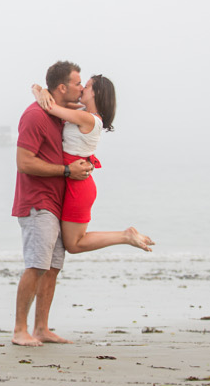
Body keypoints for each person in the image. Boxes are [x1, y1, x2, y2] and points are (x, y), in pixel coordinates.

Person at [11, 61, 94, 347]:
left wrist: (36, 89)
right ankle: (20, 330)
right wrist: (67, 171)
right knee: (36, 265)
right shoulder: (34, 116)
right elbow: (24, 162)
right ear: (61, 87)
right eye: (77, 83)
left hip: (59, 202)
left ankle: (42, 328)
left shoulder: (61, 114)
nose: (81, 88)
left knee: (53, 267)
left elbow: (92, 114)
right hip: (37, 202)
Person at [31, 74, 155, 254]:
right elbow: (56, 103)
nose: (81, 89)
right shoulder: (83, 113)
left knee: (74, 244)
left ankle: (125, 236)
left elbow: (50, 106)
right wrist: (41, 89)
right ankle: (125, 235)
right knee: (73, 242)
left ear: (96, 93)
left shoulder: (89, 119)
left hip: (78, 186)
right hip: (74, 180)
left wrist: (38, 92)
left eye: (87, 86)